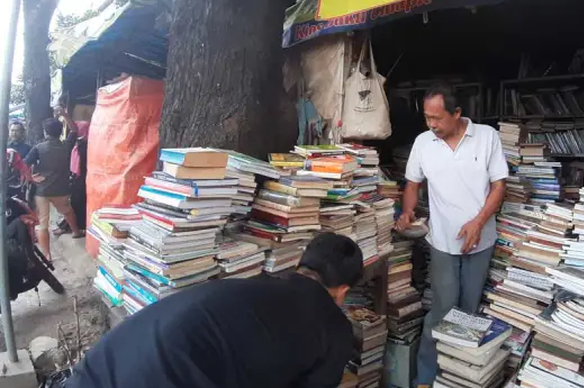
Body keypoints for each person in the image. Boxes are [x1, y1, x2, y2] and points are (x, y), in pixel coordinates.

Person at [66, 232, 364, 388]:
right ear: (343, 291)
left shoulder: (247, 285)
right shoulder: (334, 329)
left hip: (93, 373)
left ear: (300, 266)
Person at [396, 83, 508, 388]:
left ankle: (456, 379)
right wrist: (407, 212)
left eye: (437, 118)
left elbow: (499, 187)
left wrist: (478, 222)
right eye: (427, 118)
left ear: (457, 113)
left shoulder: (487, 138)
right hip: (443, 242)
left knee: (468, 312)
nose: (431, 125)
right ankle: (426, 379)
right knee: (443, 309)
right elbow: (412, 184)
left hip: (481, 241)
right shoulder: (423, 142)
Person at [24, 113, 83, 259]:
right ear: (60, 131)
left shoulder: (38, 148)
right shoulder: (67, 145)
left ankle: (47, 254)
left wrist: (31, 177)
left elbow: (24, 164)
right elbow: (74, 130)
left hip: (42, 190)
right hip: (61, 189)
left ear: (45, 132)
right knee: (67, 211)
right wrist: (65, 115)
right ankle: (76, 232)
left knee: (42, 223)